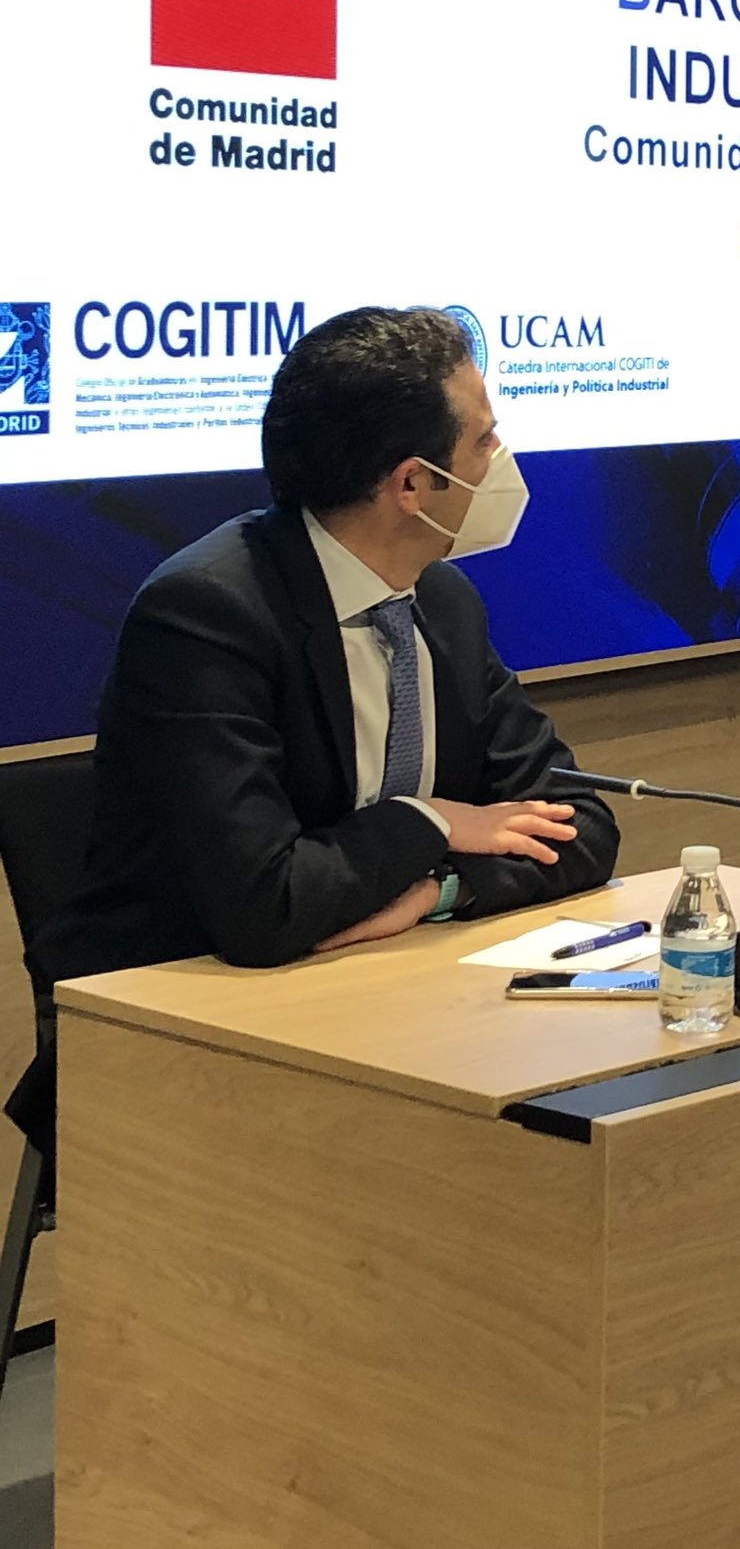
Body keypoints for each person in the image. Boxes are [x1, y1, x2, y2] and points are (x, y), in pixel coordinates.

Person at [5, 307, 621, 1160]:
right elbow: (266, 907)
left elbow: (581, 825)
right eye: (484, 440)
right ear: (414, 484)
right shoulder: (209, 614)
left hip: (386, 1006)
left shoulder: (441, 602)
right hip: (176, 1033)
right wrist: (433, 822)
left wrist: (438, 892)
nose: (501, 459)